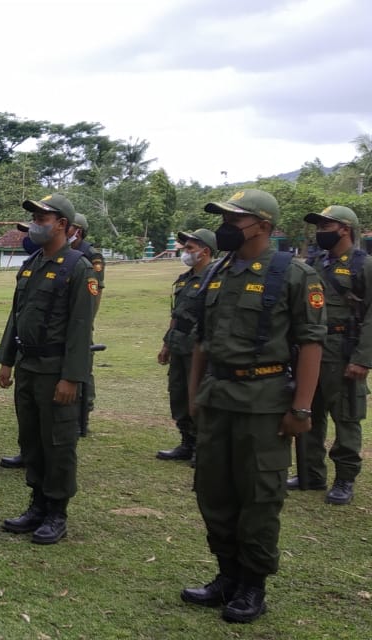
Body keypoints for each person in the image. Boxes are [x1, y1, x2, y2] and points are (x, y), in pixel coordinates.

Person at [180, 188, 324, 623]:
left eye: (233, 219)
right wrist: (193, 396)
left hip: (263, 402)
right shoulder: (218, 272)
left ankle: (252, 584)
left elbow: (311, 344)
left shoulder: (294, 274)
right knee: (214, 491)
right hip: (217, 398)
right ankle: (226, 574)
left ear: (263, 225)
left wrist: (301, 408)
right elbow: (203, 342)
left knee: (258, 497)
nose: (225, 226)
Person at [0, 193, 97, 545]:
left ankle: (57, 511)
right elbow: (17, 316)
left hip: (56, 369)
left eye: (43, 218)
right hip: (28, 365)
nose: (36, 224)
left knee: (58, 441)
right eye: (35, 218)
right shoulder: (32, 264)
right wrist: (7, 360)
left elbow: (81, 327)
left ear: (63, 225)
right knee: (33, 437)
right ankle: (36, 503)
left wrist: (71, 377)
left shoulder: (78, 267)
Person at [298, 205, 370, 505]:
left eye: (326, 226)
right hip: (311, 347)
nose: (320, 231)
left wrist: (363, 358)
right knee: (307, 410)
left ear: (345, 228)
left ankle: (344, 479)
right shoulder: (313, 262)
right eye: (319, 226)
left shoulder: (363, 265)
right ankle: (311, 474)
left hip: (343, 349)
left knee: (346, 416)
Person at [156, 229, 218, 462]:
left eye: (190, 249)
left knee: (199, 396)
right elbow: (177, 314)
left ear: (205, 252)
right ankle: (187, 442)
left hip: (198, 348)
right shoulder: (185, 278)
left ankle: (203, 446)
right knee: (179, 394)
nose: (185, 253)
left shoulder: (215, 279)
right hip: (179, 344)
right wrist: (166, 344)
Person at [70, 213, 104, 436]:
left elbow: (96, 291)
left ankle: (84, 413)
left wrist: (87, 320)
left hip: (81, 319)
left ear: (77, 231)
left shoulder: (91, 255)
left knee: (83, 367)